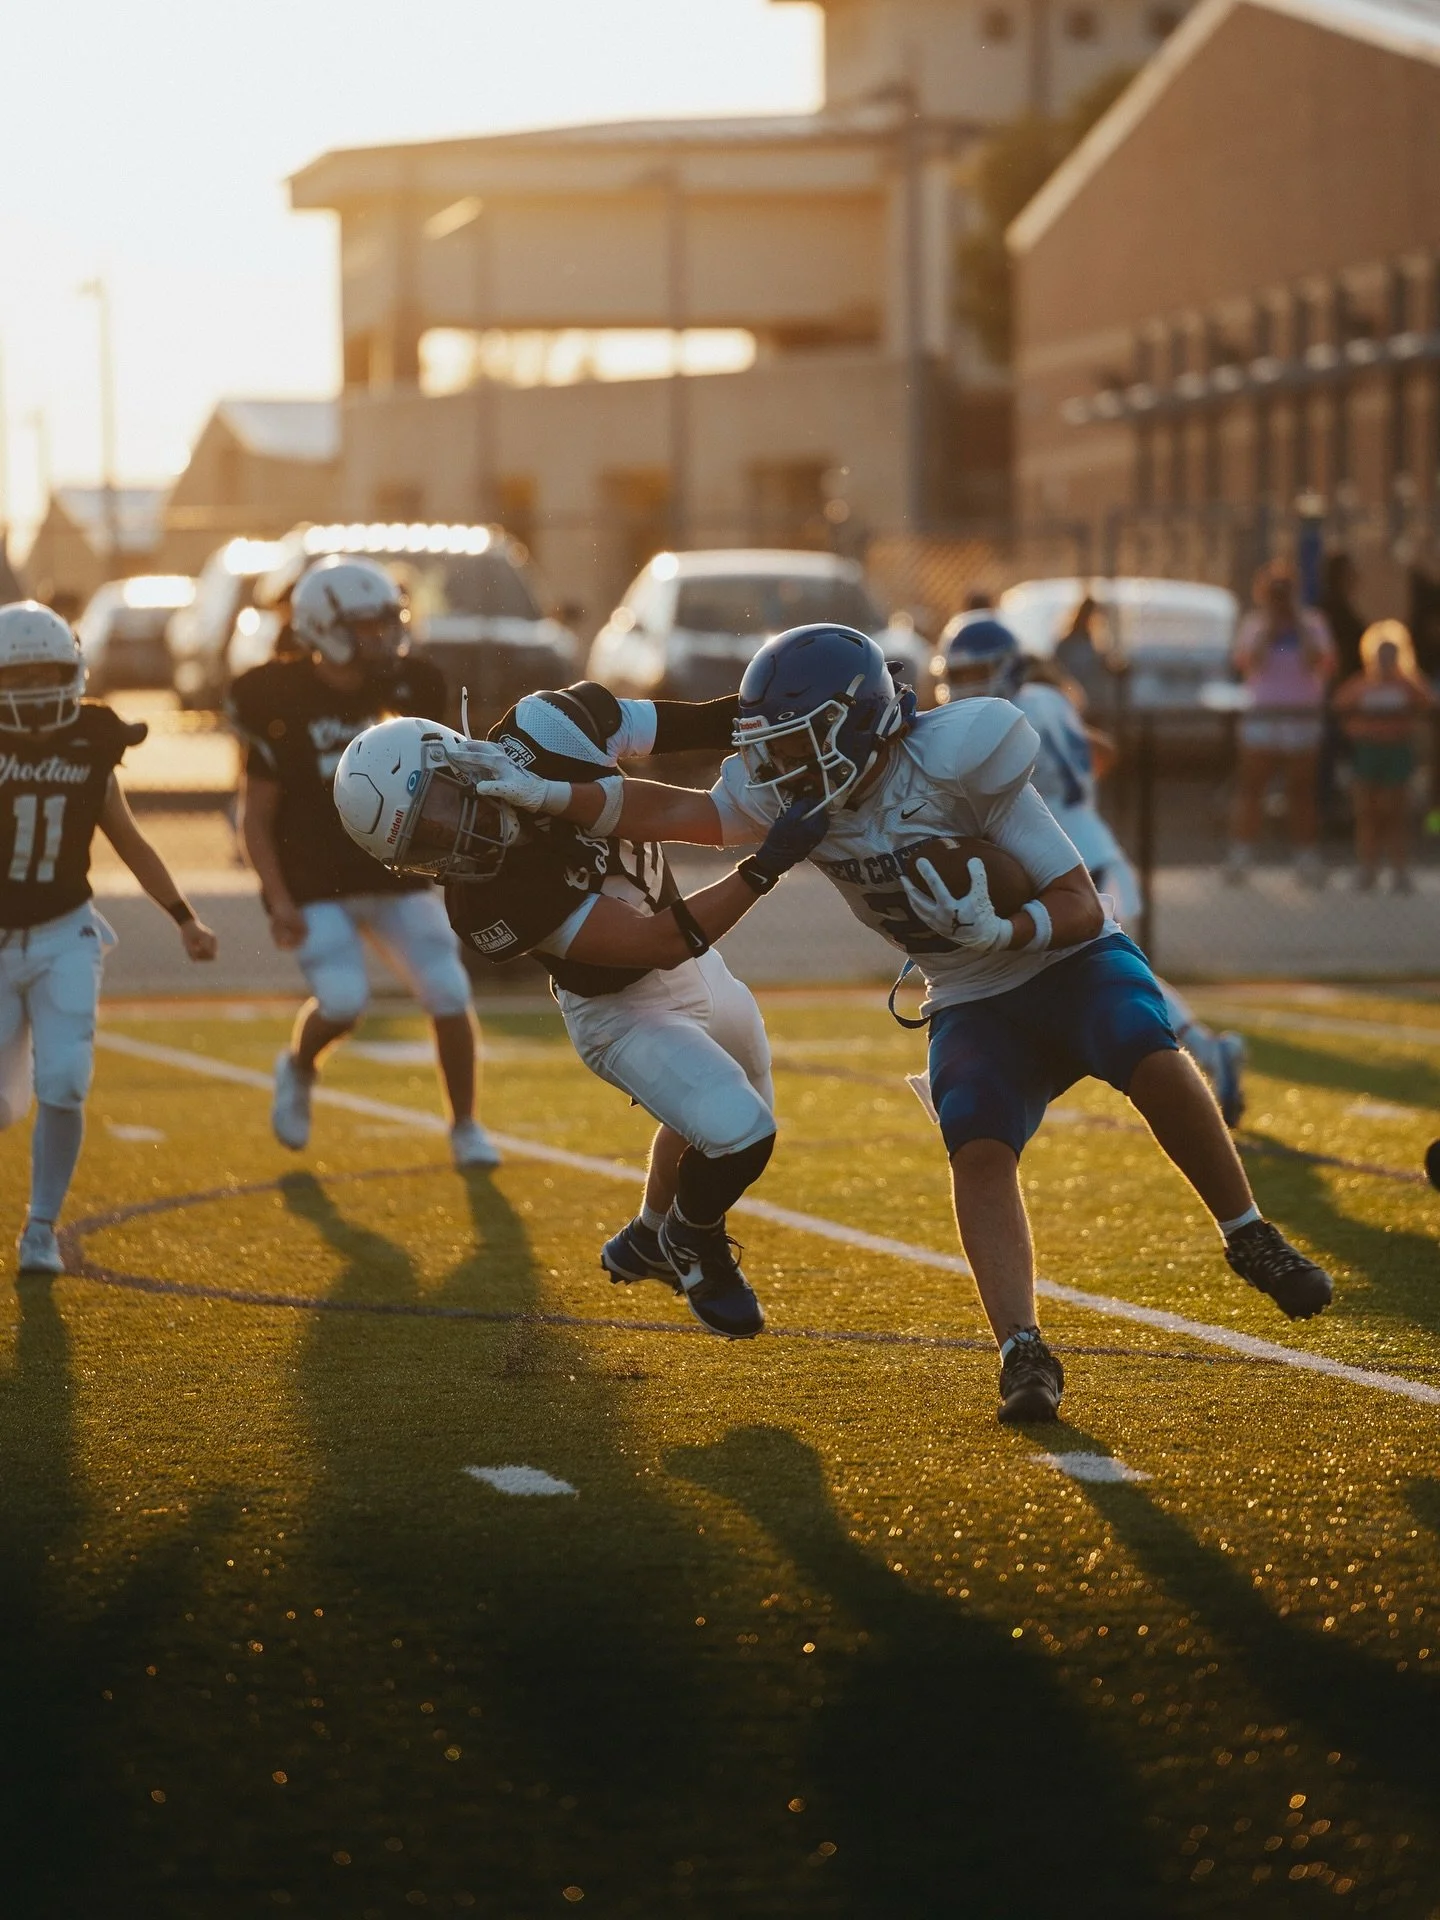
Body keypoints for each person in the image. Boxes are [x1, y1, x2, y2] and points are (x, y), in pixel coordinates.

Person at [466, 624, 1335, 1425]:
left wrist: (1009, 927)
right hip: (964, 989)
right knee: (978, 1145)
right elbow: (664, 811)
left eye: (797, 742)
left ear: (853, 722)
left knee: (1145, 1048)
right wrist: (552, 793)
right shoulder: (793, 796)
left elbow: (1079, 902)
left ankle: (1248, 1233)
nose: (780, 766)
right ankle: (1022, 1350)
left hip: (1066, 960)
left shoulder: (957, 759)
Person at [332, 683, 827, 1338]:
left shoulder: (548, 727)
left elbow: (701, 719)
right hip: (620, 1012)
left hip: (693, 960)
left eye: (440, 808)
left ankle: (650, 1236)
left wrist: (800, 708)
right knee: (740, 1134)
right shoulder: (481, 902)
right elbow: (657, 940)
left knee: (730, 1114)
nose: (448, 838)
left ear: (455, 759)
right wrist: (765, 866)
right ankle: (694, 1243)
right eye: (423, 843)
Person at [228, 555, 496, 1168]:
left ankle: (465, 1126)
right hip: (314, 879)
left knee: (449, 989)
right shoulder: (277, 697)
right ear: (323, 629)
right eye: (365, 628)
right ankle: (298, 1067)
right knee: (344, 1001)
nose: (382, 639)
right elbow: (256, 817)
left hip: (396, 871)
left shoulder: (410, 687)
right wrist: (278, 898)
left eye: (385, 623)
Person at [935, 612, 1248, 1126]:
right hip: (1090, 850)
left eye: (976, 674)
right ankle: (1203, 1051)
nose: (965, 687)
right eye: (960, 675)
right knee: (1113, 971)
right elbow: (1100, 751)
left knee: (1109, 973)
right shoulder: (1050, 701)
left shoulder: (1001, 719)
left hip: (1069, 866)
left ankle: (1206, 1051)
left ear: (1007, 669)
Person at [0, 601, 219, 1273]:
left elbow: (126, 838)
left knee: (65, 1080)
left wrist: (183, 915)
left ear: (74, 673)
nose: (36, 691)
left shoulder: (94, 737)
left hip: (67, 932)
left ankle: (41, 1228)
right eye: (20, 676)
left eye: (49, 673)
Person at [1226, 562, 1337, 886]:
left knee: (1301, 792)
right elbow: (1248, 663)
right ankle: (1241, 857)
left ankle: (1305, 860)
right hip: (1263, 716)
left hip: (1300, 718)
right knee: (1251, 789)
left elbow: (1321, 663)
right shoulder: (1255, 625)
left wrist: (1298, 625)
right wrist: (1272, 628)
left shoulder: (1314, 623)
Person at [1331, 619, 1435, 892]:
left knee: (1395, 812)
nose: (1386, 658)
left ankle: (1400, 870)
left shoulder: (1407, 684)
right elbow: (1339, 706)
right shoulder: (1361, 684)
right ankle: (1368, 868)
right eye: (1381, 652)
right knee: (1368, 813)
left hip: (1396, 753)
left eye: (1391, 652)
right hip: (1368, 753)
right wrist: (1355, 728)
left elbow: (1427, 703)